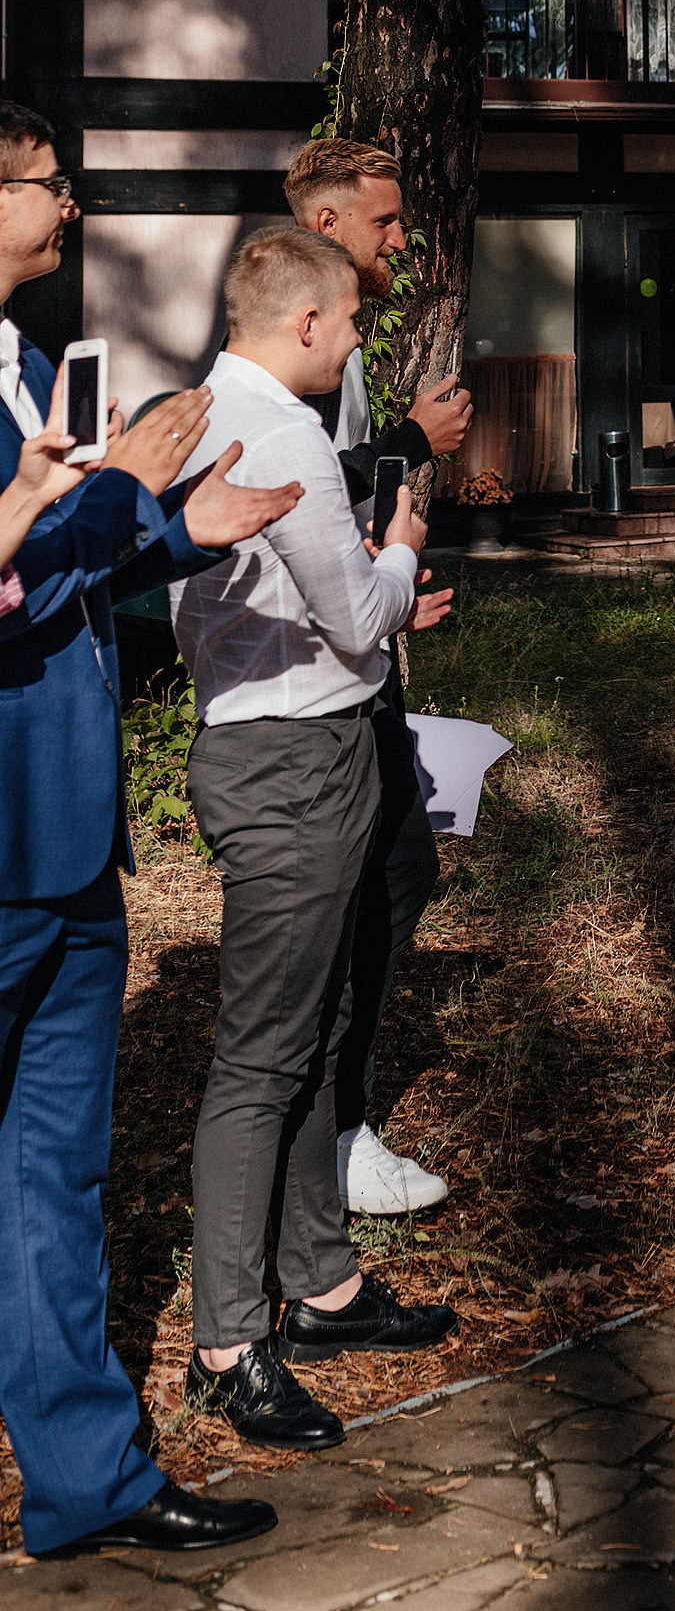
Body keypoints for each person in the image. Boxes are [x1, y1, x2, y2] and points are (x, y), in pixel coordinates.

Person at [0, 101, 308, 1558]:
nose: (72, 212)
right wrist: (99, 489)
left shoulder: (19, 362)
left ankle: (89, 1484)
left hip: (67, 842)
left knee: (52, 1182)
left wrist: (179, 524)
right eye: (55, 186)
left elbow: (53, 556)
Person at [172, 226, 458, 1453]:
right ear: (299, 323)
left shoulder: (207, 403)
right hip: (290, 762)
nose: (355, 341)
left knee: (318, 1025)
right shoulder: (284, 433)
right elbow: (354, 621)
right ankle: (231, 1339)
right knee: (263, 1057)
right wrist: (398, 547)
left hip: (293, 748)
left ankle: (323, 1283)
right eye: (346, 323)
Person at [283, 137, 472, 1218]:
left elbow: (333, 514)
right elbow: (283, 483)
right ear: (328, 229)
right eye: (387, 222)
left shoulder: (342, 345)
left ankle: (338, 1122)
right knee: (380, 881)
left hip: (357, 641)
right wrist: (411, 435)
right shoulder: (301, 346)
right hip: (314, 685)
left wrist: (395, 583)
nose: (402, 239)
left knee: (395, 875)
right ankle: (337, 1132)